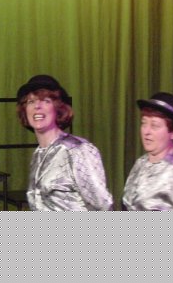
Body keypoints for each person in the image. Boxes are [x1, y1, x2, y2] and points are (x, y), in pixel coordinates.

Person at [16, 75, 113, 211]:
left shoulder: (78, 150)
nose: (37, 106)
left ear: (58, 109)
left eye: (46, 101)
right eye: (31, 101)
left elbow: (103, 206)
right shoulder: (38, 155)